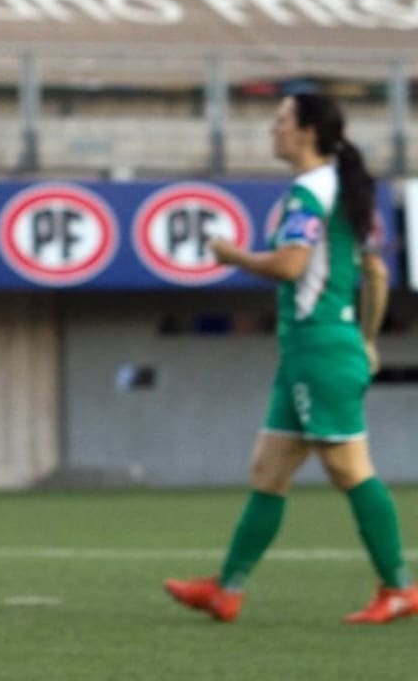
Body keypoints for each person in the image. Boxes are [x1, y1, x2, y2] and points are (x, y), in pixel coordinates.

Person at [164, 92, 418, 624]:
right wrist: (366, 339)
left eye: (280, 121)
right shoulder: (342, 190)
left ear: (305, 132)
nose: (271, 130)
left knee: (349, 469)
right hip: (321, 347)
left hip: (318, 349)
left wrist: (231, 254)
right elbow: (375, 274)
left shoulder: (309, 192)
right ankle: (225, 590)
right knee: (268, 469)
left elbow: (288, 266)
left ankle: (398, 589)